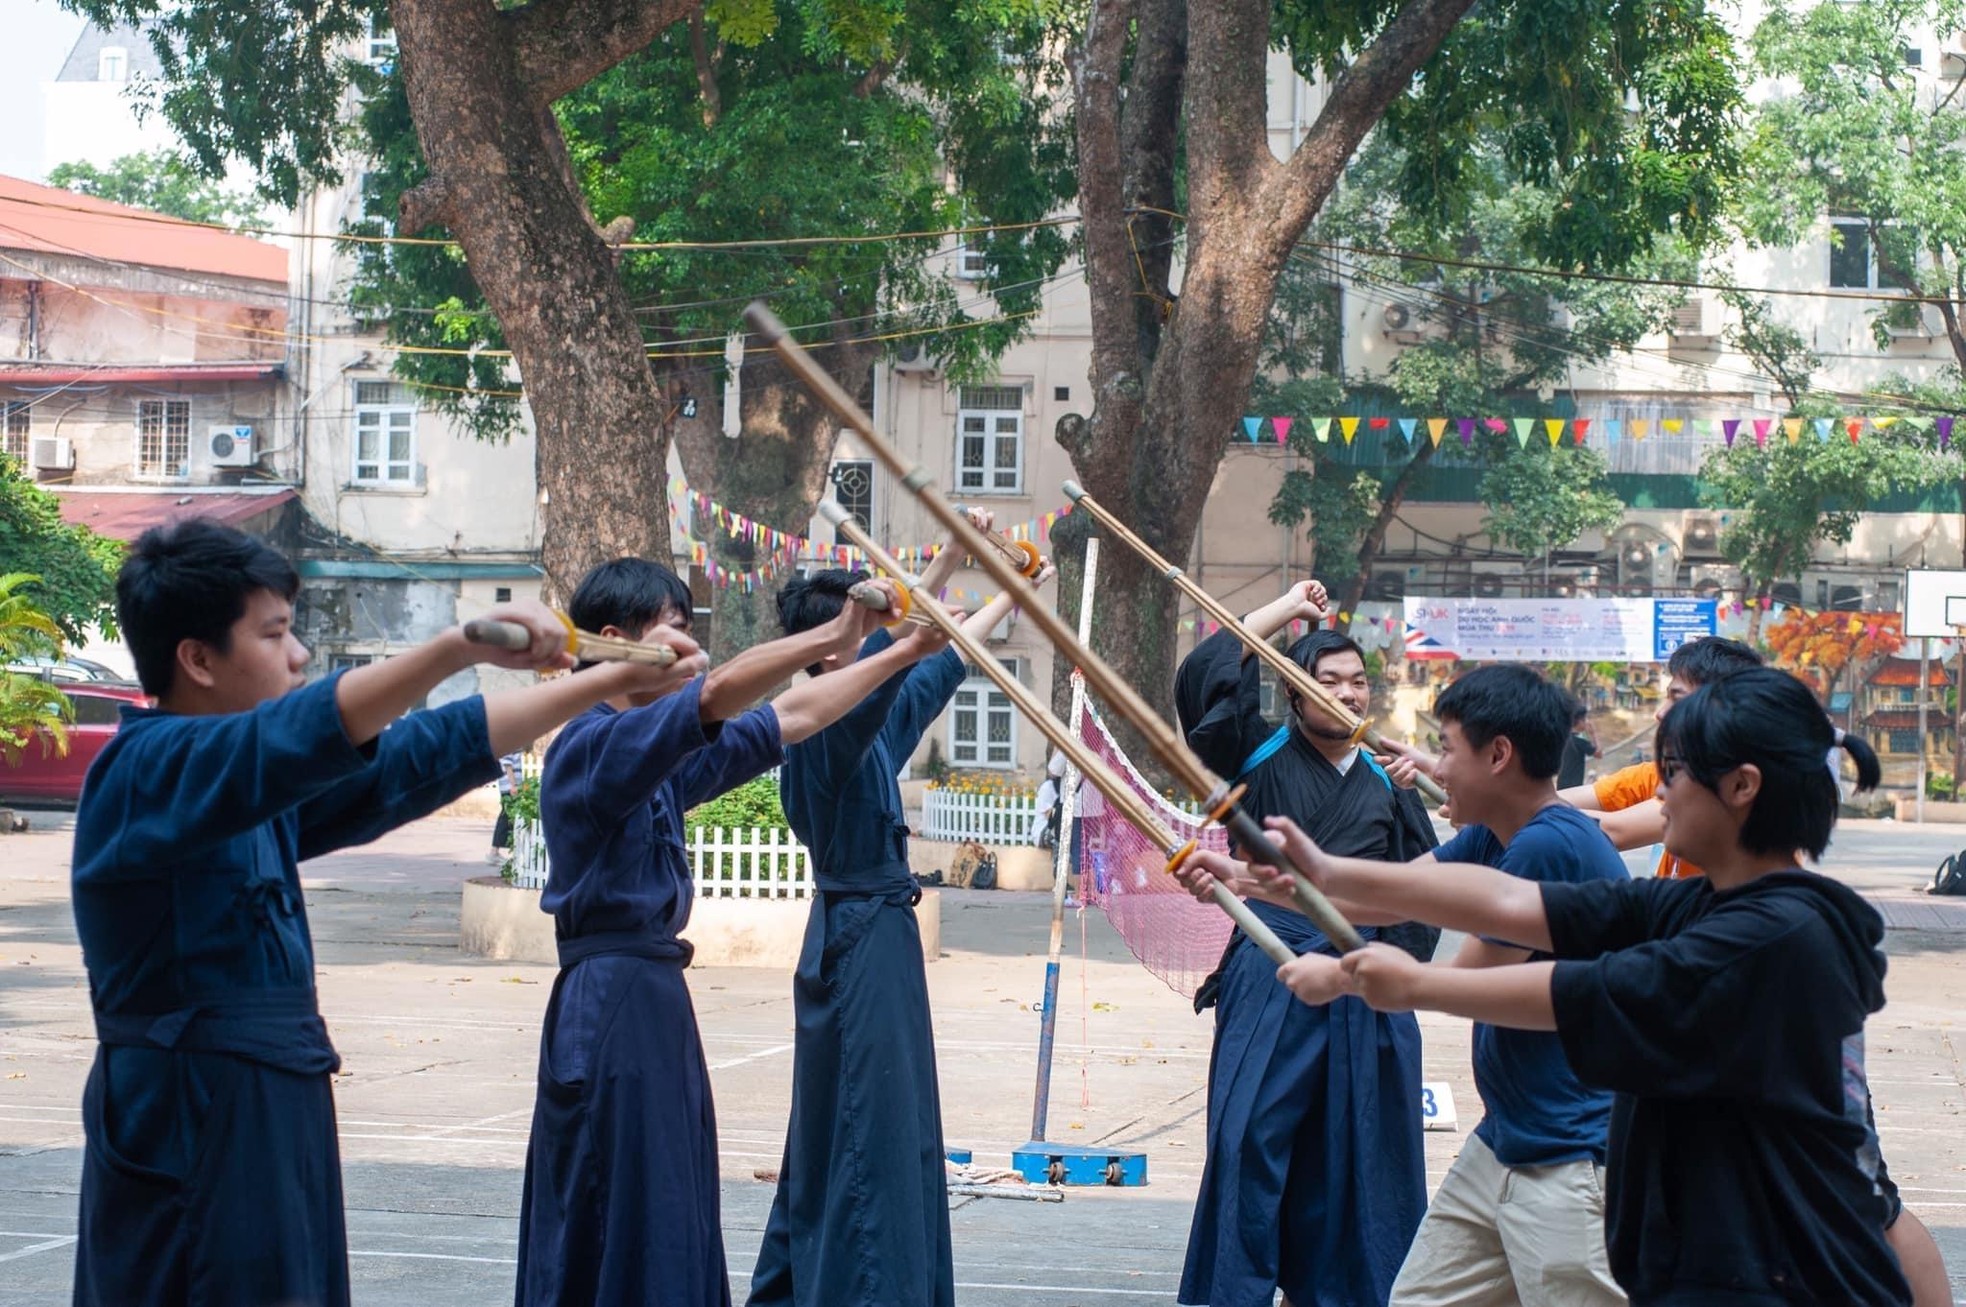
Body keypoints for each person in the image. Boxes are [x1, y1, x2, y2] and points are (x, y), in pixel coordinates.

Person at [70, 517, 696, 1307]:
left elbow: (413, 756)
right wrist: (455, 648)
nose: (299, 655)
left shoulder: (253, 790)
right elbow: (301, 732)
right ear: (196, 658)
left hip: (274, 1109)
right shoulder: (145, 770)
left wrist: (607, 680)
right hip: (184, 1116)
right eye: (275, 634)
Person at [1294, 667, 1913, 1305]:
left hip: (1784, 1269)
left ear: (1741, 786)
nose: (1658, 795)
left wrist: (1408, 984)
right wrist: (1317, 871)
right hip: (1712, 1244)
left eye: (1672, 773)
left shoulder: (1777, 937)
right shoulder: (1708, 905)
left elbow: (1583, 989)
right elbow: (1515, 904)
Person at [515, 557, 952, 1307]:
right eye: (675, 631)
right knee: (610, 1216)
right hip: (607, 1007)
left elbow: (795, 716)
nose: (692, 649)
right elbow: (720, 695)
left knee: (673, 1216)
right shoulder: (590, 746)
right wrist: (842, 629)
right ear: (615, 641)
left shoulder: (658, 760)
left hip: (655, 1004)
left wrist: (907, 650)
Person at [1180, 663, 1630, 1307]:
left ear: (1498, 756)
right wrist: (1240, 875)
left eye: (1447, 749)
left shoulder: (1551, 847)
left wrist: (1342, 977)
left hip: (1571, 1150)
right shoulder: (1491, 835)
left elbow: (1470, 979)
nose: (1434, 769)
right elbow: (1387, 898)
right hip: (1507, 1138)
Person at [1559, 637, 1950, 1305]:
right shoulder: (1693, 836)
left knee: (1866, 1193)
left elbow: (1607, 835)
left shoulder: (1776, 915)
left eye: (1679, 699)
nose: (1663, 716)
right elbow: (1578, 813)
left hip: (1765, 1007)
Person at [750, 521, 1042, 1307]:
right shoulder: (817, 722)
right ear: (825, 643)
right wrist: (947, 560)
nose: (877, 640)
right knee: (862, 1129)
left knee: (890, 1124)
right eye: (861, 629)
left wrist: (1006, 589)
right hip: (853, 945)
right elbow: (906, 654)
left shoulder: (869, 721)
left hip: (883, 936)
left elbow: (939, 660)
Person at [1170, 580, 1440, 1307]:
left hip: (1364, 974)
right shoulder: (1254, 752)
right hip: (1274, 960)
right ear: (1292, 689)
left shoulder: (1392, 775)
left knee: (1359, 1150)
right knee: (1247, 1139)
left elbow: (1426, 893)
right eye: (1328, 681)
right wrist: (1289, 609)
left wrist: (1396, 968)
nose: (1350, 696)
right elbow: (1208, 671)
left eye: (1360, 683)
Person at [491, 748, 525, 862]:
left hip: (511, 787)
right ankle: (494, 852)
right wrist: (513, 785)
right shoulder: (511, 743)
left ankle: (503, 851)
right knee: (506, 817)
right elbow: (507, 765)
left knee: (510, 817)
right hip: (510, 788)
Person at [1557, 706, 1598, 789]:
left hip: (1561, 784)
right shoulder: (1580, 741)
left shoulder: (1563, 737)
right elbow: (1598, 754)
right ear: (1579, 721)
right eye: (1584, 720)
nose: (1586, 722)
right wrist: (1593, 733)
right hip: (1574, 786)